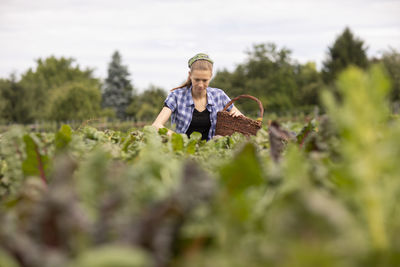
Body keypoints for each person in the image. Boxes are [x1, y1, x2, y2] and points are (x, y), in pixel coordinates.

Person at [152, 53, 243, 141]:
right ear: (190, 75)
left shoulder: (219, 95)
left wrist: (237, 117)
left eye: (204, 80)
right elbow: (156, 125)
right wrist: (179, 139)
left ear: (211, 76)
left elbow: (242, 121)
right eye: (197, 80)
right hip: (182, 150)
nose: (200, 85)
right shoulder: (176, 96)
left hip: (211, 151)